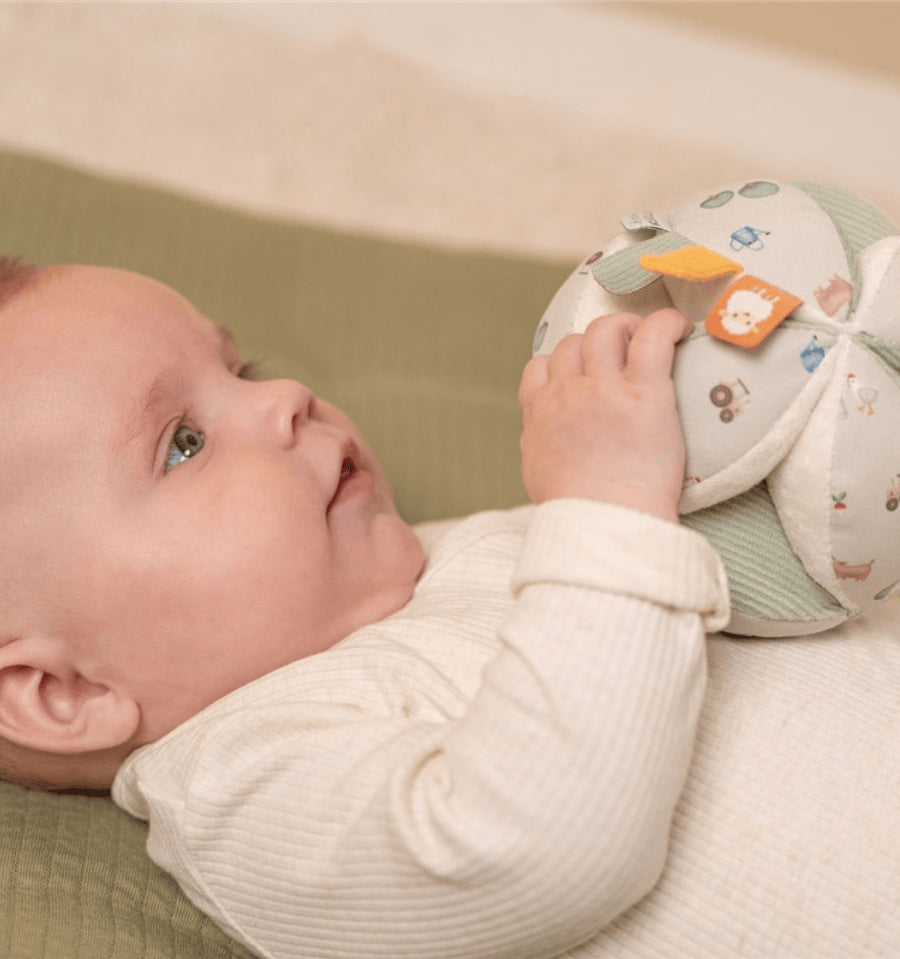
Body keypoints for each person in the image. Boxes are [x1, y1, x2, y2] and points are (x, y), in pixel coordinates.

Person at [0, 259, 895, 958]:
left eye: (242, 367)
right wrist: (612, 498)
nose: (284, 399)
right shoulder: (243, 781)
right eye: (184, 443)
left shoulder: (446, 551)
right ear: (63, 693)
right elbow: (529, 851)